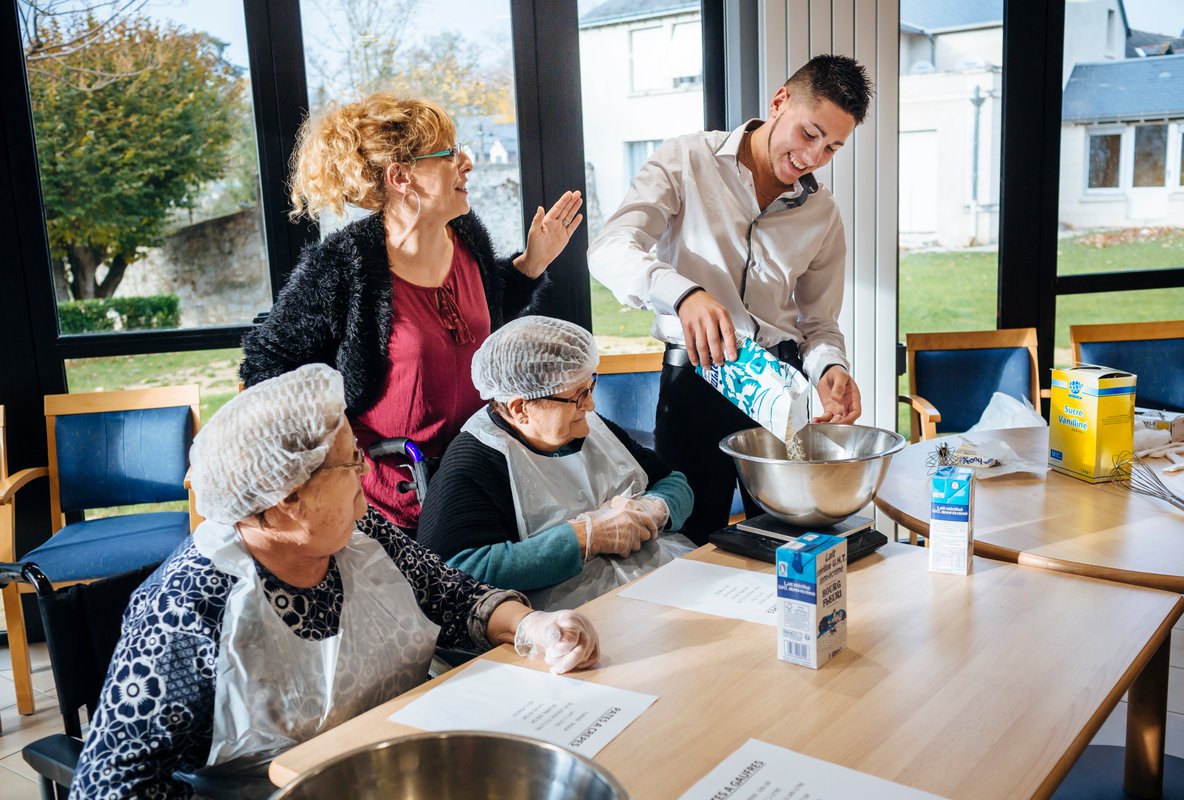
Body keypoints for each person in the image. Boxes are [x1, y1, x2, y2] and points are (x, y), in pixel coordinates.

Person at [71, 364, 600, 799]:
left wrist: (533, 625)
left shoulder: (358, 534)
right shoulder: (187, 610)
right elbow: (113, 784)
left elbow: (453, 596)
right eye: (350, 461)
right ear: (283, 505)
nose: (368, 471)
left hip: (399, 771)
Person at [239, 93, 583, 535]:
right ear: (401, 177)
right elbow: (266, 364)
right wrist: (335, 449)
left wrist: (531, 264)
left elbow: (485, 313)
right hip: (393, 502)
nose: (467, 163)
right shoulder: (344, 266)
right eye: (449, 154)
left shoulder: (468, 236)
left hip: (481, 474)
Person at [589, 54, 873, 544]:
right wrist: (683, 294)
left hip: (782, 390)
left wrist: (830, 368)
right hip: (695, 379)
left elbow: (819, 323)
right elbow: (610, 249)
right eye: (809, 134)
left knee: (796, 540)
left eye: (831, 148)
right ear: (779, 102)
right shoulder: (685, 160)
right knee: (690, 543)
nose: (813, 157)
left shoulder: (822, 213)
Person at [417, 316, 695, 609]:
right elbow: (450, 572)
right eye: (578, 396)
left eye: (590, 387)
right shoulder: (475, 462)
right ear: (520, 408)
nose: (591, 405)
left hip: (659, 588)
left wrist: (652, 510)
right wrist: (587, 537)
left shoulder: (594, 426)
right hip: (570, 621)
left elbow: (675, 483)